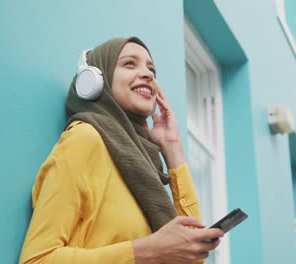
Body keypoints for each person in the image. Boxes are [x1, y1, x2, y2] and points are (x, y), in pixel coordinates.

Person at [19, 37, 224, 264]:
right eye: (129, 64)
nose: (148, 74)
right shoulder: (85, 139)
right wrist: (147, 252)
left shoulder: (142, 164)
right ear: (96, 79)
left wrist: (172, 148)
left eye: (152, 69)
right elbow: (36, 260)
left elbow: (193, 258)